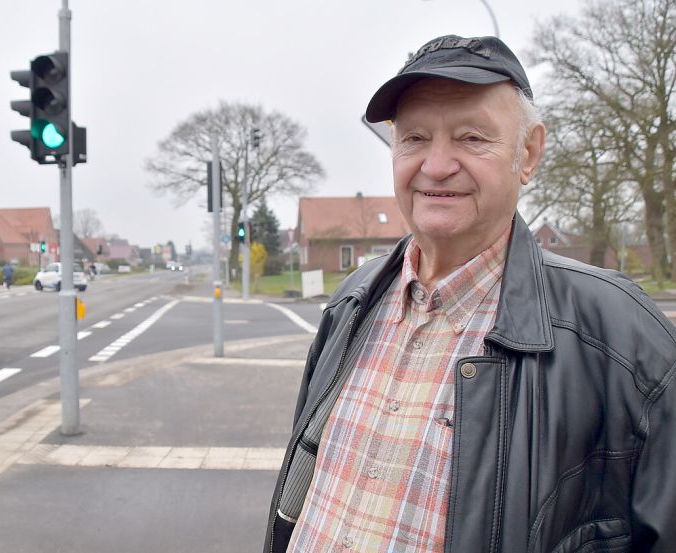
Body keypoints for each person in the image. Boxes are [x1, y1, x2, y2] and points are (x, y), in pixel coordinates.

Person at [264, 35, 676, 553]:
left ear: (528, 154)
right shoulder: (352, 301)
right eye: (414, 138)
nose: (436, 166)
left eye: (472, 138)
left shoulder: (621, 337)